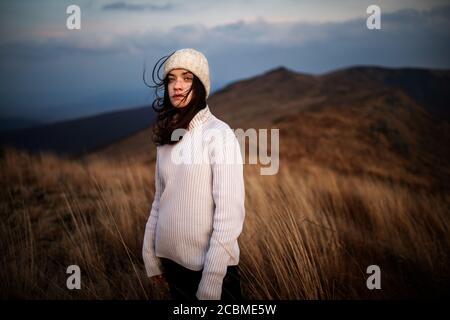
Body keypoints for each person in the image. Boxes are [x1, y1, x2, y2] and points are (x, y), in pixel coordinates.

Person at [142, 48, 246, 301]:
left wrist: (211, 282)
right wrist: (150, 256)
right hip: (172, 263)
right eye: (171, 78)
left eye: (187, 78)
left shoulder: (219, 134)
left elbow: (229, 214)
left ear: (200, 86)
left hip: (211, 270)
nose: (177, 85)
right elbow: (159, 201)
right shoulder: (166, 137)